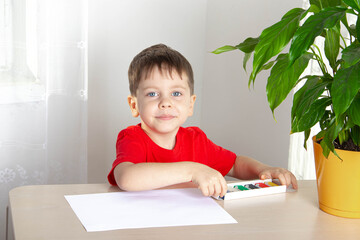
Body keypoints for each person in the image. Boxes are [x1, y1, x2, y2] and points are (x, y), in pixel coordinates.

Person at [108, 44, 298, 198]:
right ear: (134, 105)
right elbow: (126, 177)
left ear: (190, 104)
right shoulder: (132, 138)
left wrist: (264, 169)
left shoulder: (195, 139)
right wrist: (192, 170)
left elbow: (235, 164)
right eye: (152, 94)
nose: (165, 103)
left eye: (176, 93)